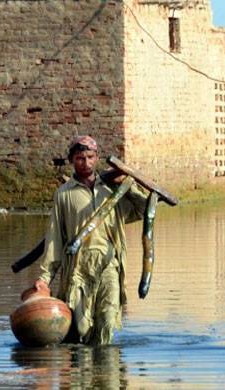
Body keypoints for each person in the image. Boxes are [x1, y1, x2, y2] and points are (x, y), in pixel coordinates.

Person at [34, 135, 148, 345]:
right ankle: (83, 374)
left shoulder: (112, 190)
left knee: (107, 319)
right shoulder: (64, 195)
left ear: (97, 158)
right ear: (72, 161)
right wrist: (44, 277)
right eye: (80, 158)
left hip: (109, 263)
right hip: (78, 268)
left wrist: (128, 186)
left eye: (90, 157)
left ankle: (107, 374)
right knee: (81, 327)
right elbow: (55, 239)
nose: (85, 163)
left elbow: (144, 210)